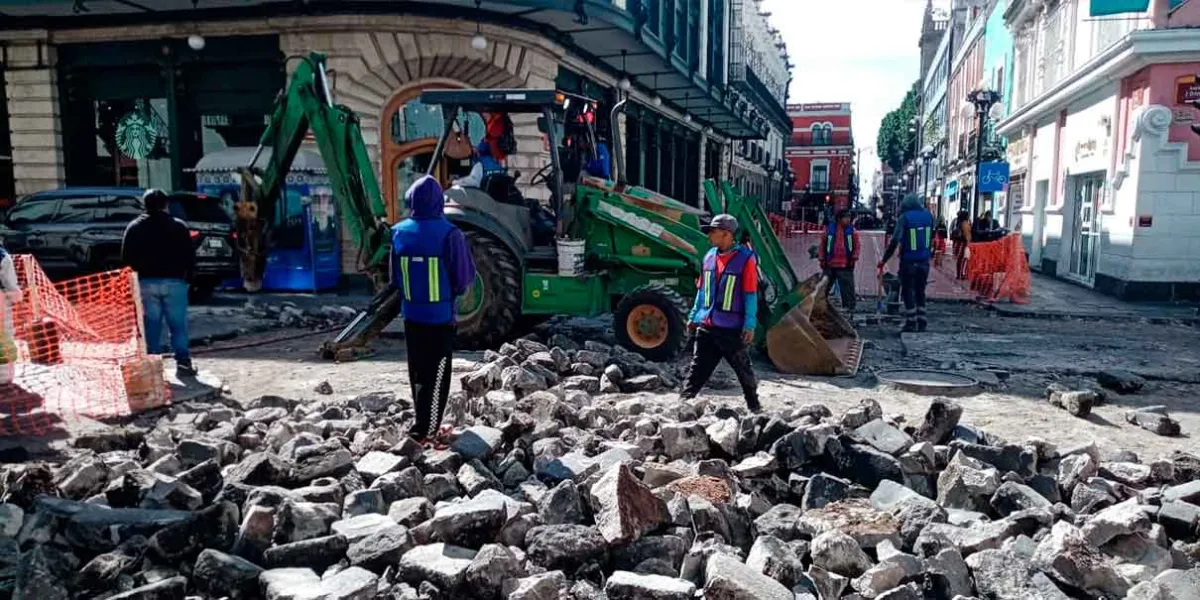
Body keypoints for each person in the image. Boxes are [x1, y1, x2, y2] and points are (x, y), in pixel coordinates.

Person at [391, 175, 477, 446]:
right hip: (439, 317)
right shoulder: (450, 234)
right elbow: (463, 277)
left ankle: (421, 424)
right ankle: (427, 433)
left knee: (417, 371)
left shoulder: (398, 231)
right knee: (438, 374)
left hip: (411, 314)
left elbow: (394, 277)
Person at [680, 214, 760, 412]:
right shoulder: (708, 257)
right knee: (697, 368)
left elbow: (750, 294)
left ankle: (755, 407)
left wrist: (749, 324)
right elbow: (701, 291)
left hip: (731, 329)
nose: (709, 236)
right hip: (707, 325)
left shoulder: (745, 259)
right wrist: (693, 316)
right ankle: (683, 403)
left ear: (726, 234)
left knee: (743, 370)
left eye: (713, 232)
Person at [121, 189, 197, 376]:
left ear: (144, 205)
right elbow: (190, 256)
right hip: (175, 282)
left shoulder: (134, 227)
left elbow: (125, 258)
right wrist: (190, 279)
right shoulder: (179, 226)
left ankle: (152, 368)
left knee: (151, 327)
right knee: (178, 326)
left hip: (146, 283)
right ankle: (184, 364)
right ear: (166, 205)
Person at [878, 194, 935, 332]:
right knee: (920, 291)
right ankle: (922, 321)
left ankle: (911, 321)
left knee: (908, 291)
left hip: (909, 262)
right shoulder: (928, 216)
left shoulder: (905, 218)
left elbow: (895, 240)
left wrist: (884, 260)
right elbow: (932, 238)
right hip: (924, 262)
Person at [819, 209, 860, 314]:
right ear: (839, 219)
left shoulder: (852, 231)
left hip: (846, 265)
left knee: (847, 288)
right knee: (823, 287)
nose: (848, 219)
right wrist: (822, 259)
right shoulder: (829, 230)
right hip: (830, 264)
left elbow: (857, 246)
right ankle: (817, 305)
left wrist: (854, 257)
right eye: (846, 217)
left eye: (849, 217)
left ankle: (849, 308)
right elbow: (823, 245)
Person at [951, 210, 972, 280]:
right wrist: (969, 243)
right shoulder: (965, 223)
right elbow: (967, 235)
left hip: (958, 243)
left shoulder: (958, 222)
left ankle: (958, 274)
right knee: (964, 259)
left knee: (959, 259)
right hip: (964, 243)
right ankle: (962, 274)